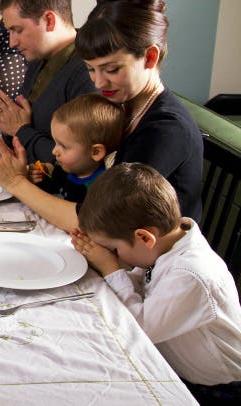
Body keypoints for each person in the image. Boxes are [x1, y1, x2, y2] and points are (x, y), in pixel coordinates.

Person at [72, 163, 241, 404]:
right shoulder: (165, 246)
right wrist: (102, 267)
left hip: (218, 387)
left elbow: (139, 328)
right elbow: (142, 286)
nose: (115, 255)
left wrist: (110, 268)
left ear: (144, 237)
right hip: (179, 366)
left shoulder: (190, 274)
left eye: (115, 249)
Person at [75, 0, 203, 222]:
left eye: (111, 70)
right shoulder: (127, 105)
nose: (99, 83)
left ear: (150, 57)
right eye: (91, 69)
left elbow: (101, 216)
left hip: (158, 258)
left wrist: (18, 183)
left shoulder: (166, 128)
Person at [0, 0, 96, 163]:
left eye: (17, 30)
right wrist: (8, 124)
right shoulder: (38, 56)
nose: (12, 43)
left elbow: (79, 163)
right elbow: (20, 126)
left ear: (49, 21)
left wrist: (20, 130)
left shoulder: (89, 72)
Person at [0, 93, 123, 232]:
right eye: (55, 143)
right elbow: (54, 187)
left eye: (63, 146)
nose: (54, 151)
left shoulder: (100, 190)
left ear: (96, 152)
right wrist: (36, 178)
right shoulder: (65, 168)